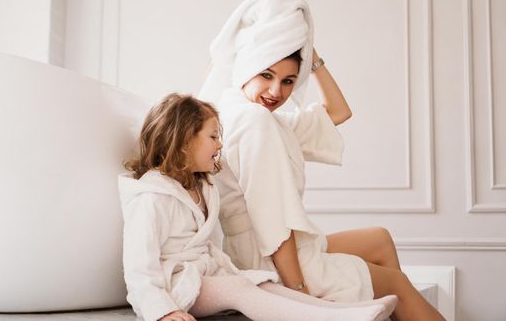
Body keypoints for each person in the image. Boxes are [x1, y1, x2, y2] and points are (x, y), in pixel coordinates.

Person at [199, 0, 445, 321]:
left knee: (380, 240)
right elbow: (273, 220)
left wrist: (311, 56)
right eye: (266, 76)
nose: (276, 92)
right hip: (267, 258)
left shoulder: (249, 115)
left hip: (267, 248)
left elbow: (339, 112)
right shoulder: (254, 121)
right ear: (246, 68)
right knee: (397, 283)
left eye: (288, 81)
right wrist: (298, 292)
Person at [118, 93, 397, 321]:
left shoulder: (201, 186)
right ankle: (336, 319)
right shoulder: (151, 197)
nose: (220, 144)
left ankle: (346, 311)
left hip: (207, 275)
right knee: (239, 288)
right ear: (184, 141)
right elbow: (138, 267)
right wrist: (163, 311)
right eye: (213, 137)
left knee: (263, 283)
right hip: (177, 285)